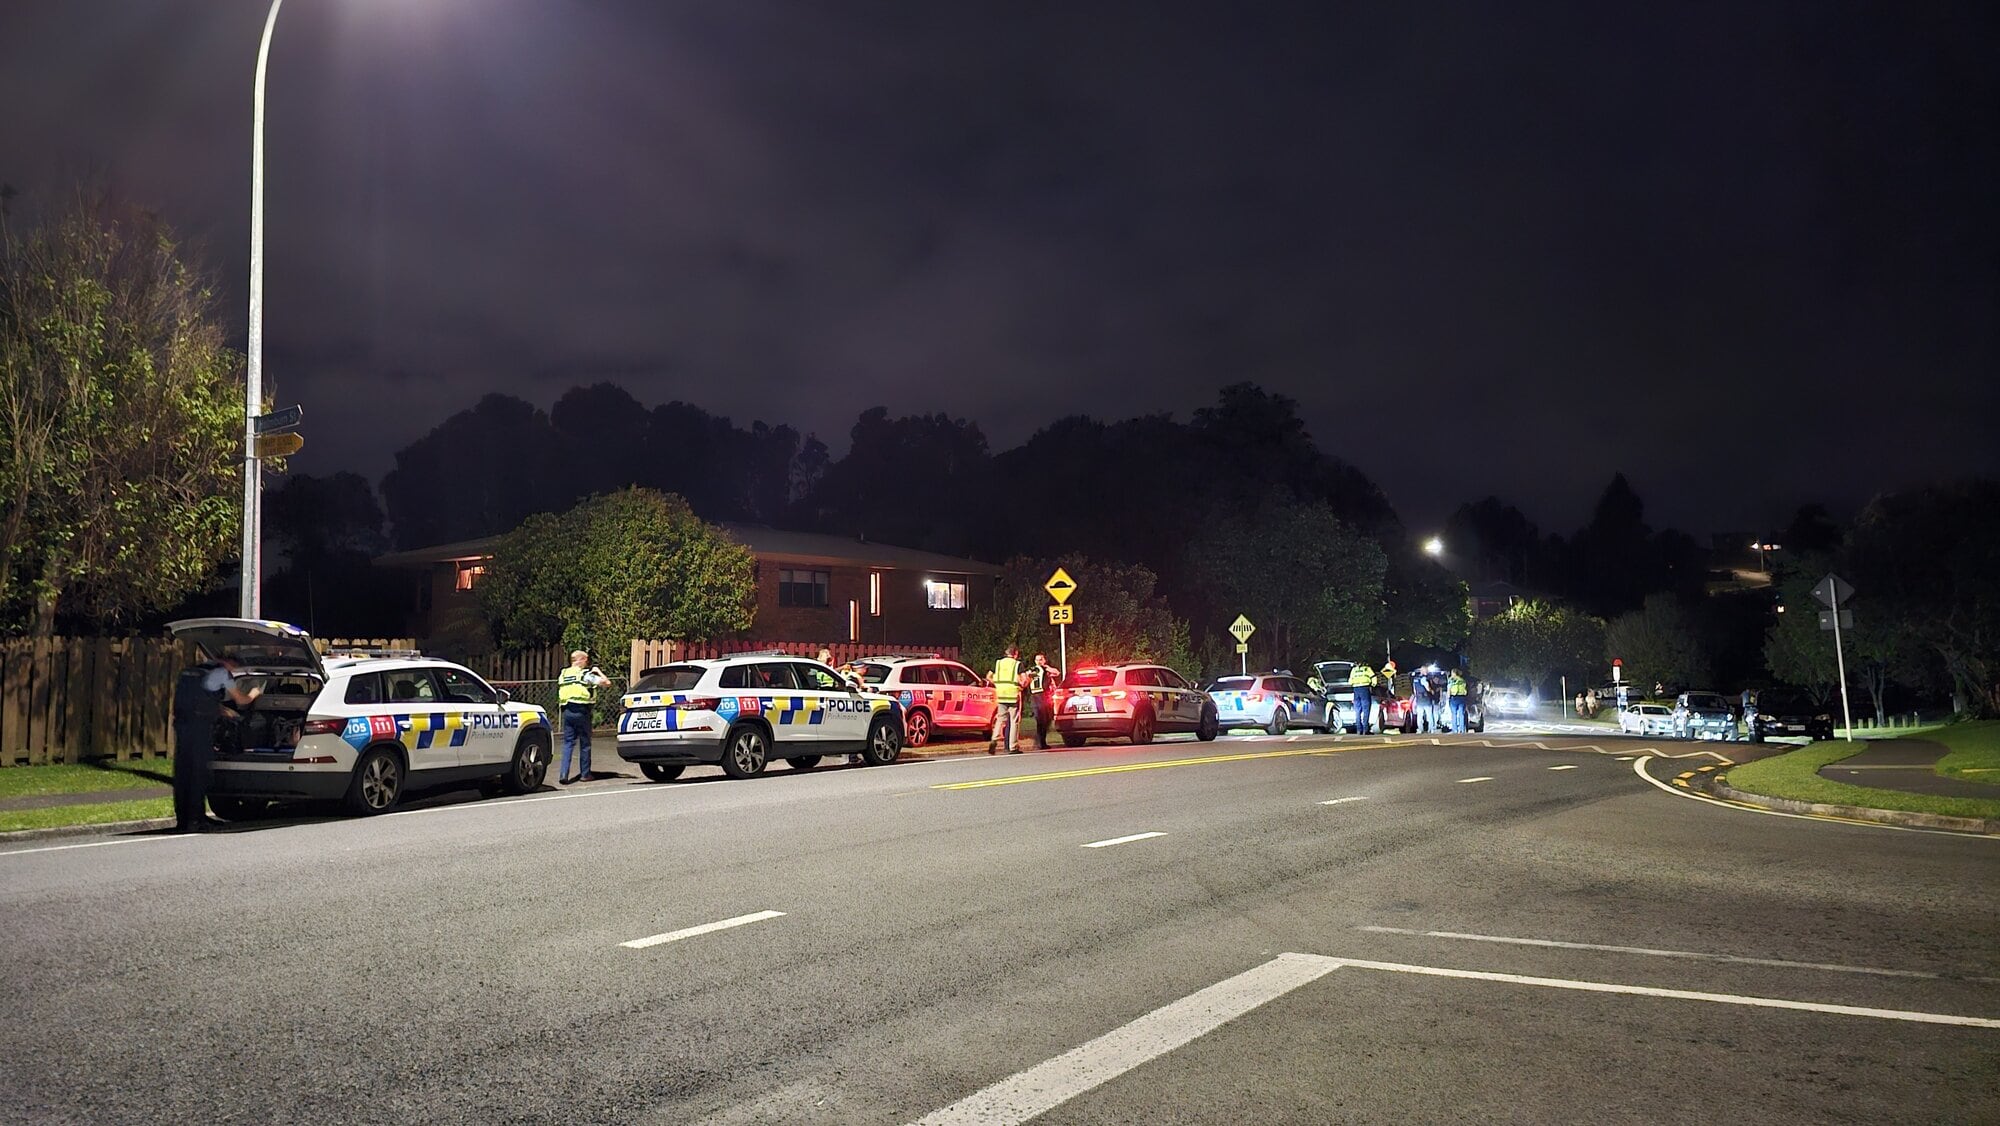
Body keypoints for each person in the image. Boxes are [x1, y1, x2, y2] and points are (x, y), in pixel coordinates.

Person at [172, 653, 259, 832]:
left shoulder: (192, 671)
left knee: (183, 773)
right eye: (234, 668)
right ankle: (195, 821)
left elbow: (199, 699)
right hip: (200, 728)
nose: (233, 671)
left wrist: (222, 711)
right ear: (229, 663)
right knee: (198, 774)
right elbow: (241, 700)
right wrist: (254, 693)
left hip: (182, 726)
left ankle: (184, 819)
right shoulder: (221, 673)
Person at [556, 650, 610, 784]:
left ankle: (563, 774)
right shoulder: (584, 674)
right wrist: (598, 671)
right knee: (585, 743)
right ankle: (585, 774)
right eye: (586, 660)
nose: (587, 663)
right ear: (580, 660)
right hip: (582, 711)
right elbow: (607, 683)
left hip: (567, 710)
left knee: (568, 743)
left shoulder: (563, 674)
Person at [987, 645, 1024, 754]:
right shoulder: (1017, 664)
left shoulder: (998, 663)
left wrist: (998, 684)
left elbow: (989, 676)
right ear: (1015, 654)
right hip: (1013, 694)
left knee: (1000, 719)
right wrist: (1022, 685)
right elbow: (1024, 679)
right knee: (1014, 720)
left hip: (1001, 693)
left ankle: (994, 739)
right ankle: (1013, 746)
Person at [1024, 653, 1062, 749]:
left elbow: (1056, 672)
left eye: (1041, 659)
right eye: (1037, 660)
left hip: (1037, 696)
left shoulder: (1034, 670)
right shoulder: (1041, 669)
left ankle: (1040, 741)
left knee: (1043, 719)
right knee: (1042, 719)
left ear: (1044, 660)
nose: (1039, 661)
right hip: (1039, 695)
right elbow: (1057, 672)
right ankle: (1040, 742)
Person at [1347, 662, 1376, 735]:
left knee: (1357, 710)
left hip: (1356, 690)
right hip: (1365, 689)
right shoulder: (1367, 669)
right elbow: (1374, 678)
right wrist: (1373, 686)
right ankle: (1366, 730)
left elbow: (1350, 681)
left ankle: (1359, 730)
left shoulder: (1354, 670)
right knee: (1366, 710)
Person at [1447, 668, 1470, 733]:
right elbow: (1465, 689)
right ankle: (1462, 729)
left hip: (1454, 698)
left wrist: (1448, 697)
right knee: (1461, 714)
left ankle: (1455, 729)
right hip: (1462, 698)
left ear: (1453, 673)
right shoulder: (1462, 680)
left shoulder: (1451, 680)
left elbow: (1449, 689)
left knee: (1454, 714)